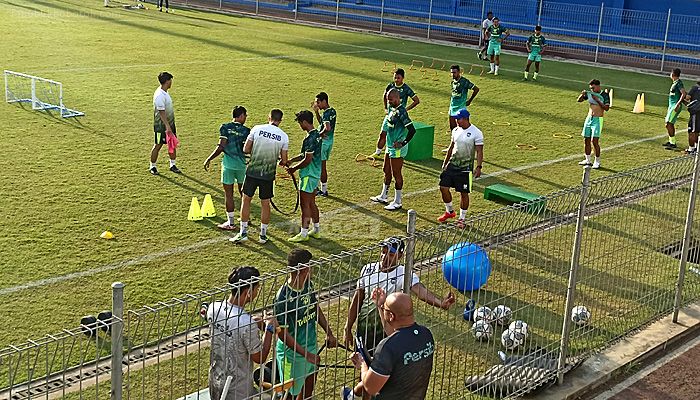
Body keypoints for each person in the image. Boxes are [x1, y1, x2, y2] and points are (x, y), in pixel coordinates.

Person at [341, 237, 454, 400]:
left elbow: (421, 291)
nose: (385, 258)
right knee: (367, 374)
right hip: (365, 330)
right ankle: (353, 395)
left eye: (391, 254)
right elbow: (358, 298)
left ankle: (353, 395)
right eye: (383, 252)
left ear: (400, 256)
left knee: (376, 376)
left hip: (386, 332)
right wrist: (347, 327)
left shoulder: (403, 273)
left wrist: (440, 303)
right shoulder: (368, 269)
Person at [206, 266, 279, 400]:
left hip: (216, 379)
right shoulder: (246, 323)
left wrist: (251, 320)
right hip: (238, 389)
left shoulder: (214, 308)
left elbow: (228, 324)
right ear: (249, 291)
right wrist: (269, 328)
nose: (258, 292)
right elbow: (260, 357)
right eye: (257, 288)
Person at [347, 290, 435, 400]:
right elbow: (398, 341)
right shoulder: (426, 335)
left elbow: (370, 387)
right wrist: (380, 306)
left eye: (384, 308)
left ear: (391, 316)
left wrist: (362, 363)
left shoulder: (387, 347)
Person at [274, 249, 338, 400]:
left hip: (311, 348)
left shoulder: (308, 284)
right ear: (304, 269)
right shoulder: (283, 298)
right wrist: (305, 354)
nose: (313, 268)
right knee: (289, 395)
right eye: (311, 265)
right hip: (292, 355)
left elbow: (314, 307)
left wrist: (329, 332)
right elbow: (282, 334)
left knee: (307, 393)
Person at [230, 109, 289, 244]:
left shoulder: (257, 129)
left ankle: (243, 233)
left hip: (252, 172)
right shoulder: (284, 136)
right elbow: (284, 160)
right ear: (280, 120)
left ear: (269, 117)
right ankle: (263, 235)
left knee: (246, 200)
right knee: (265, 204)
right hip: (268, 175)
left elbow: (246, 149)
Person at [370, 89, 417, 211]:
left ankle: (398, 201)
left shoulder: (402, 112)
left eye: (390, 100)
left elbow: (412, 130)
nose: (388, 102)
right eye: (387, 99)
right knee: (386, 169)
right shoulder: (392, 109)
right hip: (390, 146)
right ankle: (384, 195)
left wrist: (403, 142)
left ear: (397, 98)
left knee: (397, 173)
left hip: (397, 149)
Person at [204, 106, 250, 230]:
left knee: (228, 194)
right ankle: (246, 218)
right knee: (244, 194)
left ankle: (230, 223)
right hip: (242, 166)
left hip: (228, 166)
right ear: (240, 116)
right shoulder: (247, 131)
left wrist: (209, 158)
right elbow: (248, 150)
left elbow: (221, 146)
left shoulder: (225, 127)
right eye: (245, 116)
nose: (245, 118)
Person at [437, 109, 484, 225]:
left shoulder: (476, 133)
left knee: (463, 193)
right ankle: (450, 211)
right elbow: (451, 147)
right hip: (452, 165)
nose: (456, 121)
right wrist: (445, 162)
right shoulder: (456, 130)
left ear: (466, 119)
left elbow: (479, 151)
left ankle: (462, 218)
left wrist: (478, 167)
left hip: (465, 168)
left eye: (459, 119)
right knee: (443, 187)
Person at [287, 111, 323, 243]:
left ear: (304, 122)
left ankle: (304, 233)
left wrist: (294, 168)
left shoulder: (310, 139)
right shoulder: (317, 135)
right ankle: (316, 231)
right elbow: (305, 155)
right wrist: (292, 160)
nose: (300, 126)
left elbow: (307, 160)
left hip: (308, 174)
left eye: (300, 123)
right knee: (312, 203)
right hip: (315, 173)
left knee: (305, 205)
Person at [372, 69, 420, 158]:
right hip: (389, 115)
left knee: (395, 136)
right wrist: (386, 108)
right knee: (383, 133)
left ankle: (396, 153)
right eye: (395, 77)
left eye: (398, 78)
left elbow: (416, 100)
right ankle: (378, 152)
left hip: (398, 118)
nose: (396, 80)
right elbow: (384, 96)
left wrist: (406, 109)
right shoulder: (390, 86)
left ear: (403, 78)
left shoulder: (406, 88)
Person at [150, 72, 180, 175]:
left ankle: (173, 165)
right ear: (167, 81)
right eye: (170, 80)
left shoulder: (165, 92)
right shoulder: (159, 95)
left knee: (171, 144)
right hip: (161, 126)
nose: (171, 82)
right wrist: (167, 127)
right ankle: (152, 166)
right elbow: (161, 112)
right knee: (158, 145)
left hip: (169, 124)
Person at [577, 79, 610, 169]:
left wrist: (598, 100)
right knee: (586, 139)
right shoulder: (590, 94)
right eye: (590, 88)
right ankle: (587, 160)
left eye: (593, 88)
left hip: (598, 119)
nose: (592, 90)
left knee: (594, 141)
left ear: (598, 86)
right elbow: (579, 100)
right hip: (589, 119)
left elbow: (606, 108)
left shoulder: (604, 95)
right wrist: (582, 95)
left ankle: (597, 161)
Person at [312, 92, 336, 197]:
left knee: (320, 166)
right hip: (329, 142)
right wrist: (316, 112)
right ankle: (322, 189)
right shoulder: (331, 111)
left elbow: (327, 128)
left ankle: (322, 190)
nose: (317, 104)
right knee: (321, 165)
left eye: (318, 102)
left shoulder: (326, 113)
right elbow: (322, 122)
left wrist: (319, 135)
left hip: (323, 143)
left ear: (324, 101)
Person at [449, 65, 480, 130]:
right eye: (451, 72)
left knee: (464, 128)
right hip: (452, 107)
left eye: (454, 72)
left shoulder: (464, 81)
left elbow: (476, 89)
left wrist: (469, 100)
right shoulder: (452, 82)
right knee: (453, 128)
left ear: (459, 72)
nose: (452, 75)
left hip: (461, 108)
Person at [663, 68, 687, 150]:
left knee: (669, 124)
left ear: (672, 74)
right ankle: (671, 142)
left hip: (675, 106)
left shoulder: (679, 83)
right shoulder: (675, 83)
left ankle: (673, 143)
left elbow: (683, 93)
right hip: (671, 106)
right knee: (667, 123)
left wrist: (678, 104)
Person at [686, 80, 700, 154]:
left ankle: (691, 149)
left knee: (692, 131)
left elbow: (687, 98)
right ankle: (697, 148)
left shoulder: (694, 88)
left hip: (695, 112)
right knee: (697, 131)